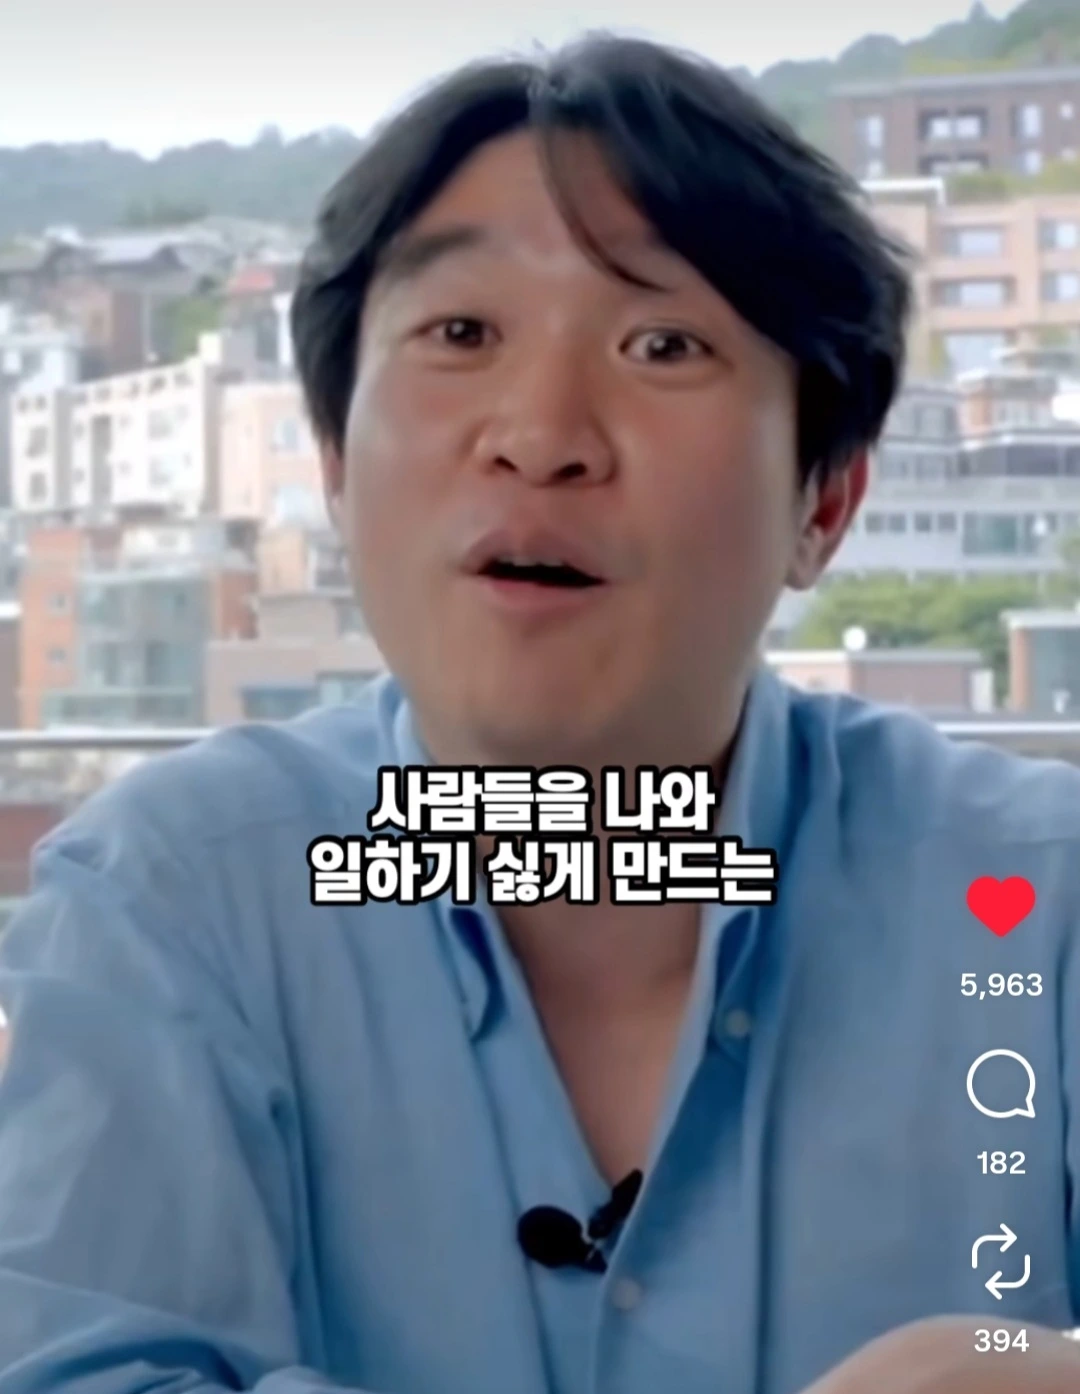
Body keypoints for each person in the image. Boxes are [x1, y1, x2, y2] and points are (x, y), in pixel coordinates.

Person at [0, 32, 1077, 1394]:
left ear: (827, 499)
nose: (541, 433)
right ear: (333, 461)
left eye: (663, 343)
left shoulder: (1036, 900)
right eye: (461, 334)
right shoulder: (170, 897)